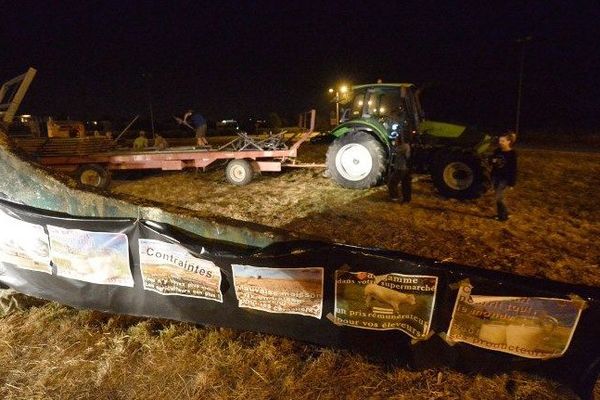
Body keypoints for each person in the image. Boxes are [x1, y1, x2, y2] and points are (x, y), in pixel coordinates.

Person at [490, 131, 518, 221]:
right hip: (495, 176)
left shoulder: (512, 154)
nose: (500, 142)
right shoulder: (497, 151)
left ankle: (503, 217)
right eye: (500, 140)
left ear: (509, 142)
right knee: (498, 196)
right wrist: (491, 160)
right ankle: (505, 213)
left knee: (499, 197)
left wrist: (512, 183)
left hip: (504, 178)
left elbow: (513, 169)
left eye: (503, 141)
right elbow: (491, 161)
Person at [387, 107, 412, 203]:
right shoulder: (406, 146)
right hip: (404, 168)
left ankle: (395, 198)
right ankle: (406, 199)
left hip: (401, 168)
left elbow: (394, 150)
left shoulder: (403, 147)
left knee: (392, 183)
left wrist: (391, 145)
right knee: (406, 184)